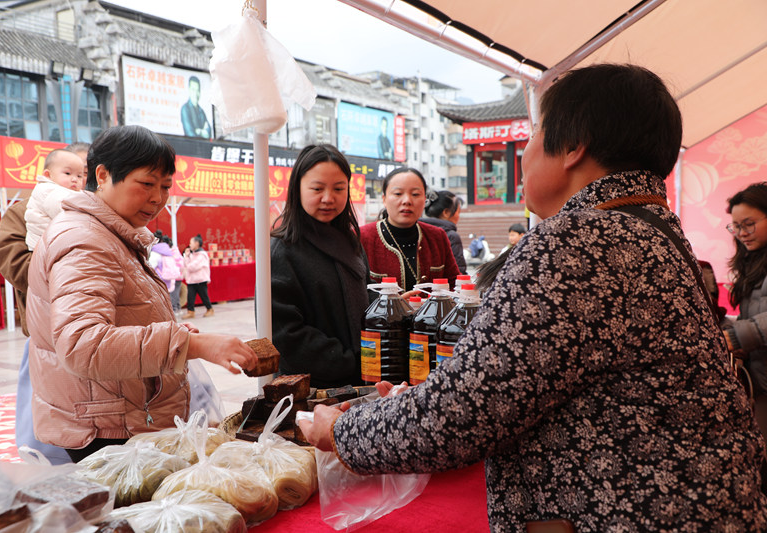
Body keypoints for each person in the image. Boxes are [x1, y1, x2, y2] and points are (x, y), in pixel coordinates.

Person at [299, 64, 767, 530]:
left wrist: (341, 430)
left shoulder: (579, 241)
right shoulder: (650, 227)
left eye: (535, 135)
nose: (525, 151)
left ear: (573, 147)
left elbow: (465, 411)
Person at [25, 125, 256, 462]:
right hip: (108, 429)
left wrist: (175, 334)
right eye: (147, 184)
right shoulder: (84, 239)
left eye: (165, 187)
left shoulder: (112, 233)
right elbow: (82, 345)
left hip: (122, 414)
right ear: (103, 175)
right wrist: (193, 345)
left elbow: (122, 314)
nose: (158, 198)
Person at [0, 142, 89, 465]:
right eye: (72, 172)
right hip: (46, 330)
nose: (78, 180)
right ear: (50, 174)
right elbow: (11, 260)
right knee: (44, 421)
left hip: (95, 332)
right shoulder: (24, 211)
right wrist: (64, 275)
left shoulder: (94, 210)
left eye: (84, 174)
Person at [270, 144, 370, 388]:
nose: (328, 198)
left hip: (361, 378)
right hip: (312, 389)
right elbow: (286, 334)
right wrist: (350, 361)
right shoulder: (282, 248)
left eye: (339, 189)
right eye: (317, 189)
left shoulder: (350, 241)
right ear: (297, 189)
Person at [360, 167, 460, 292]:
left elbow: (455, 284)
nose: (407, 201)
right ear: (384, 199)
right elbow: (355, 293)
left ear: (425, 200)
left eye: (415, 194)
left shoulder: (437, 236)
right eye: (398, 194)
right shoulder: (362, 237)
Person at [722, 182, 767, 440]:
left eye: (748, 224)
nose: (741, 233)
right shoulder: (752, 261)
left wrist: (738, 336)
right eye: (736, 227)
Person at [24, 149, 85, 250]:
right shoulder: (49, 190)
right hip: (45, 246)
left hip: (51, 244)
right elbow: (65, 212)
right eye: (68, 173)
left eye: (79, 176)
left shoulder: (64, 191)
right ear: (48, 175)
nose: (74, 179)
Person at [421, 189, 468, 275]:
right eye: (458, 212)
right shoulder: (451, 236)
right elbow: (458, 274)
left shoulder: (418, 230)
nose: (458, 217)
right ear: (446, 212)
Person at [183, 234, 213, 318]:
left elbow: (192, 267)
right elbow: (187, 265)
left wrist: (188, 262)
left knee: (204, 296)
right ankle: (190, 311)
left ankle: (210, 309)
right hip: (192, 279)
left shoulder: (202, 255)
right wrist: (187, 256)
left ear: (196, 243)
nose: (189, 245)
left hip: (200, 279)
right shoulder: (192, 254)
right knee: (190, 296)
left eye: (191, 243)